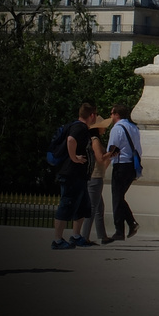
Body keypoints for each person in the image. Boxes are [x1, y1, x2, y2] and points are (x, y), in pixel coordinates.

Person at [53, 103, 95, 249]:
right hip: (71, 174)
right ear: (91, 115)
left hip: (79, 175)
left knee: (83, 206)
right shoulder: (80, 127)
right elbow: (71, 140)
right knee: (66, 204)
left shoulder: (80, 127)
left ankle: (76, 236)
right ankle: (57, 240)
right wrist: (74, 158)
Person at [78, 109, 118, 245]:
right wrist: (111, 153)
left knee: (99, 208)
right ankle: (85, 237)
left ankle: (103, 236)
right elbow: (100, 159)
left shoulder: (93, 139)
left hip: (95, 176)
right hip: (95, 177)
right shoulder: (95, 140)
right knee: (93, 208)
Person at [108, 104, 142, 241]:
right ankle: (130, 223)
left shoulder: (117, 129)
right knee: (120, 197)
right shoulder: (134, 127)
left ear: (117, 114)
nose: (110, 116)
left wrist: (106, 159)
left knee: (116, 197)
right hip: (131, 165)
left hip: (120, 164)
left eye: (111, 113)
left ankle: (120, 229)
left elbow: (112, 148)